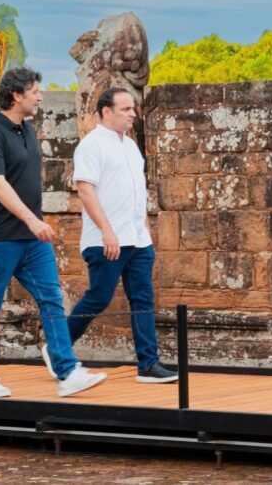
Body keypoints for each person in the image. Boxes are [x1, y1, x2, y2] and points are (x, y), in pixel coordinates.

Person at [0, 67, 107, 398]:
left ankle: (66, 371)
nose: (40, 97)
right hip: (0, 238)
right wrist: (32, 220)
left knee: (51, 298)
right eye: (35, 92)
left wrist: (33, 225)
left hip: (32, 241)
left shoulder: (27, 131)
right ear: (17, 95)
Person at [46, 87, 177, 383]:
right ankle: (58, 348)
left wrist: (144, 228)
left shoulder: (130, 146)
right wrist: (107, 231)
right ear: (107, 112)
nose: (133, 114)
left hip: (138, 239)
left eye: (133, 108)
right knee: (99, 297)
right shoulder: (91, 146)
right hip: (106, 240)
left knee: (143, 300)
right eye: (126, 109)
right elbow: (85, 189)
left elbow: (135, 191)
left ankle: (148, 365)